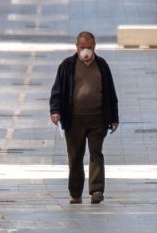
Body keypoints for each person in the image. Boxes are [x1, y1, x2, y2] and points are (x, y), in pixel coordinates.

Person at [49, 31, 119, 204]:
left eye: (89, 47)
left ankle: (96, 190)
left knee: (96, 153)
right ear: (76, 47)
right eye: (82, 47)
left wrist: (114, 117)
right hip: (74, 120)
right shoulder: (67, 66)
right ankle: (75, 192)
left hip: (98, 119)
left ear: (94, 47)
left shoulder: (102, 65)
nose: (86, 51)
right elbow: (57, 91)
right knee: (74, 156)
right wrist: (55, 111)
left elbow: (111, 92)